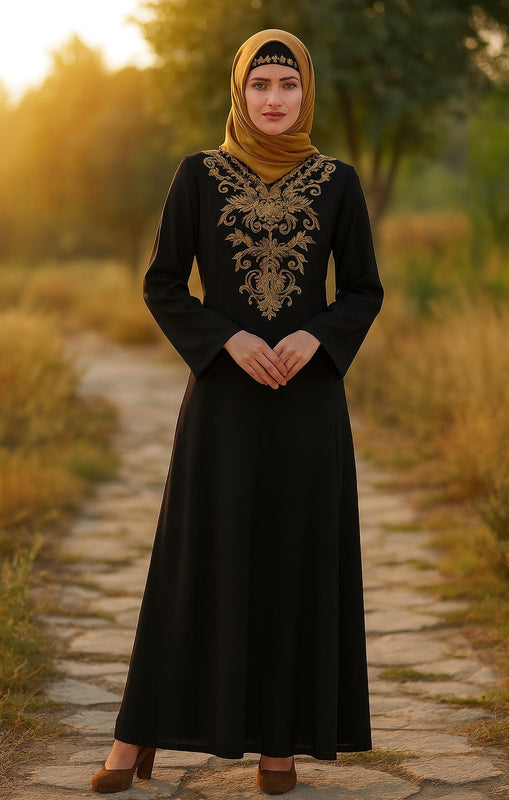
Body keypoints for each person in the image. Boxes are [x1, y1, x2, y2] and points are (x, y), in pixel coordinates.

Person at [91, 28, 383, 796]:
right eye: (260, 86)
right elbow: (162, 284)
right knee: (194, 558)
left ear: (305, 92)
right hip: (222, 400)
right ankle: (136, 735)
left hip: (305, 404)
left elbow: (361, 289)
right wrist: (224, 342)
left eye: (287, 85)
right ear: (238, 92)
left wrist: (314, 338)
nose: (274, 100)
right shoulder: (198, 175)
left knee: (292, 554)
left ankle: (278, 744)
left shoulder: (337, 181)